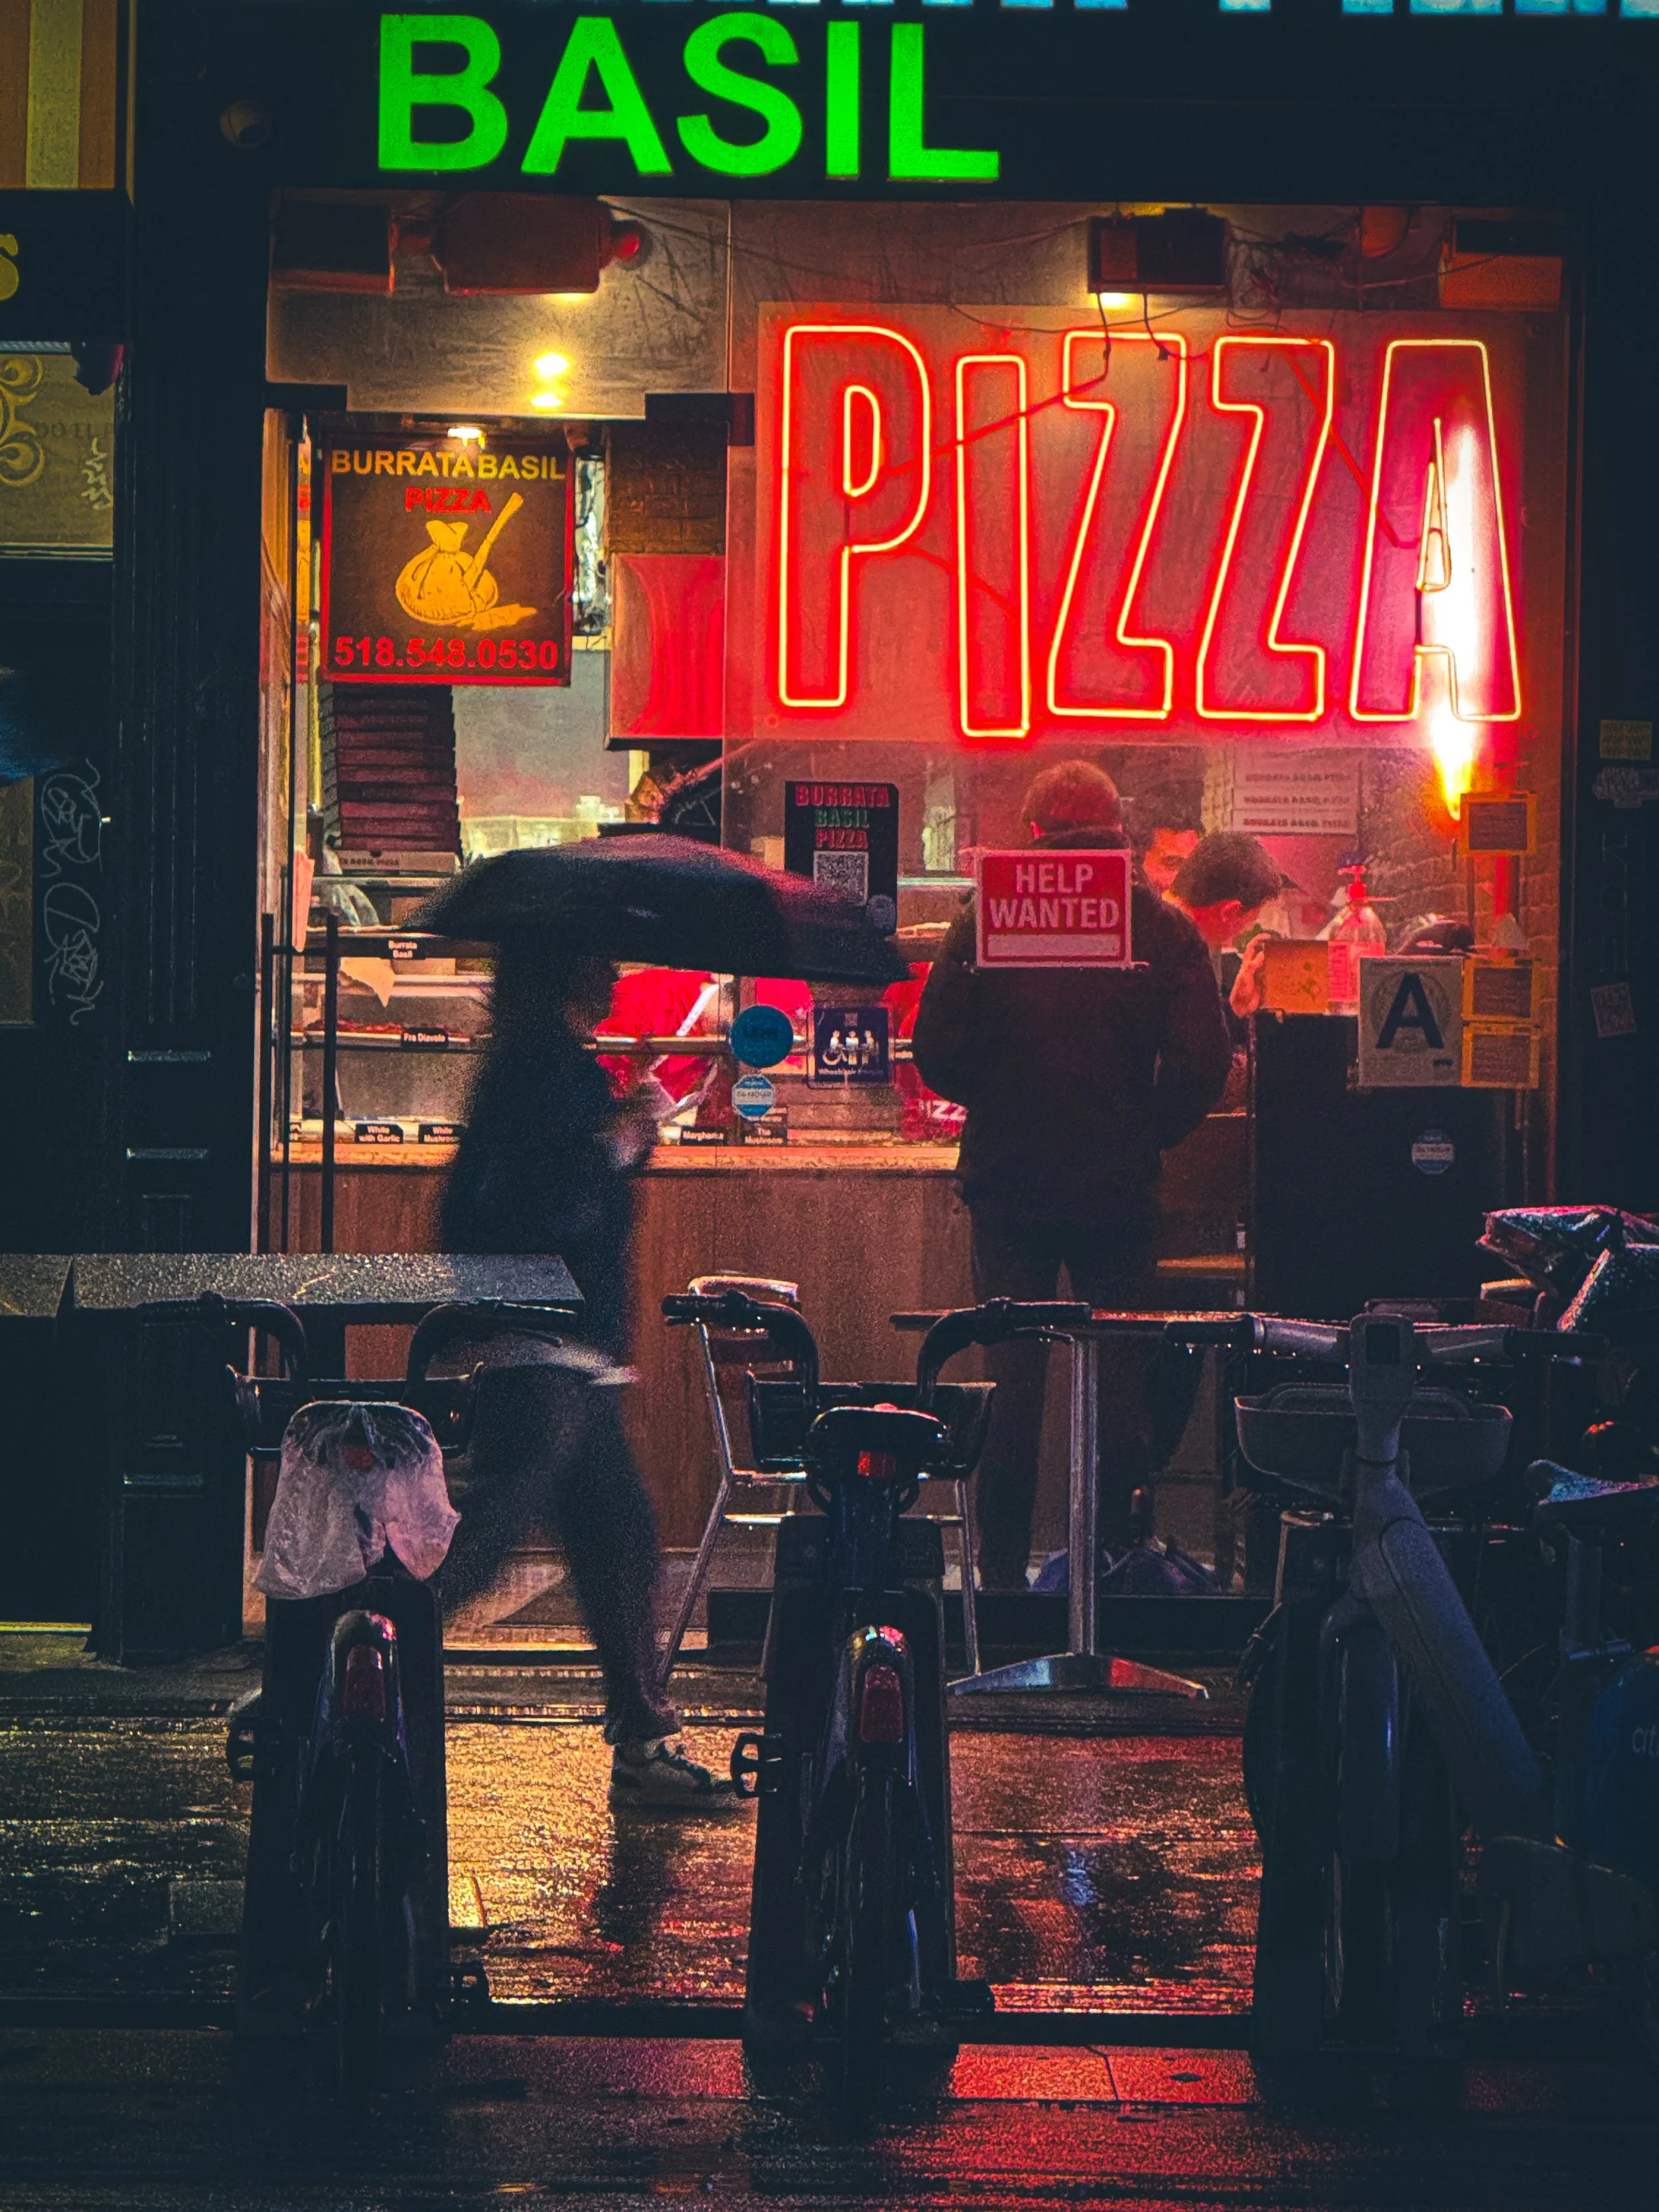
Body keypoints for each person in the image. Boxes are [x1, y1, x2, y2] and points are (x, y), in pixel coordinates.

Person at [911, 761, 1232, 1587]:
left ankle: (1002, 1575)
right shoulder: (1157, 925)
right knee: (1117, 1387)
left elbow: (936, 1050)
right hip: (1115, 1192)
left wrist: (1002, 1098)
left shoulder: (988, 918)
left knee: (1010, 1387)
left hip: (1009, 1184)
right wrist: (1143, 1131)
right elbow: (1205, 1058)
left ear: (1035, 834)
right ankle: (1114, 1569)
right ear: (1116, 831)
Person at [439, 941, 736, 1812]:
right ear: (561, 971)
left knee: (620, 1547)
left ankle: (645, 1744)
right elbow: (539, 1198)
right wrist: (621, 1142)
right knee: (471, 1546)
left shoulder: (542, 1062)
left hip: (565, 1350)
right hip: (542, 1348)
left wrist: (621, 1137)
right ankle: (320, 1666)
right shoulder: (544, 1067)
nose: (610, 973)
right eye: (594, 960)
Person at [1163, 831, 1281, 1031]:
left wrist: (1235, 1008)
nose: (1245, 930)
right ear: (1231, 911)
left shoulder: (1166, 930)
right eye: (1251, 918)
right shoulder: (1173, 948)